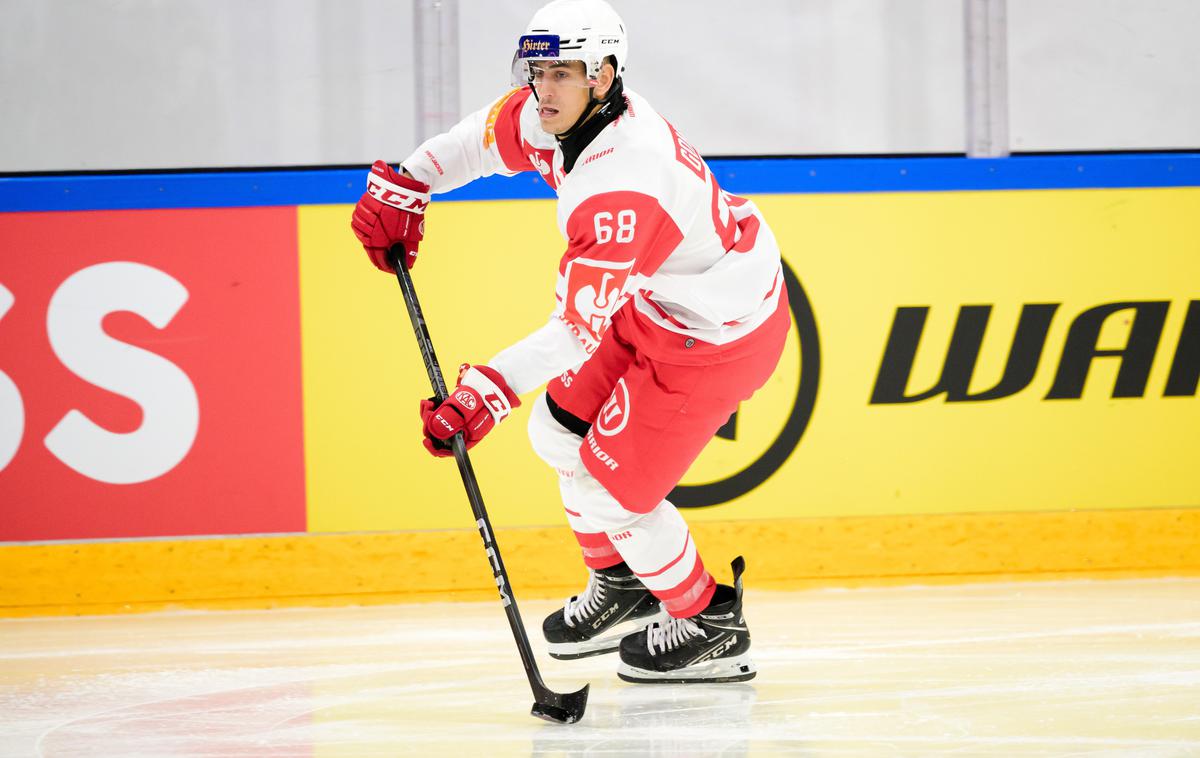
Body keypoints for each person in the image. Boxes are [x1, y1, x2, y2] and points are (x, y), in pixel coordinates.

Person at [350, 0, 788, 684]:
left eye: (563, 72)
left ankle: (708, 620)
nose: (543, 89)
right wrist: (409, 183)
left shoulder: (624, 180)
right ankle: (624, 585)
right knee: (556, 435)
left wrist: (484, 393)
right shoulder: (565, 114)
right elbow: (479, 141)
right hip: (660, 303)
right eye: (538, 70)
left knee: (616, 495)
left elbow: (574, 332)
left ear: (605, 77)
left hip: (718, 333)